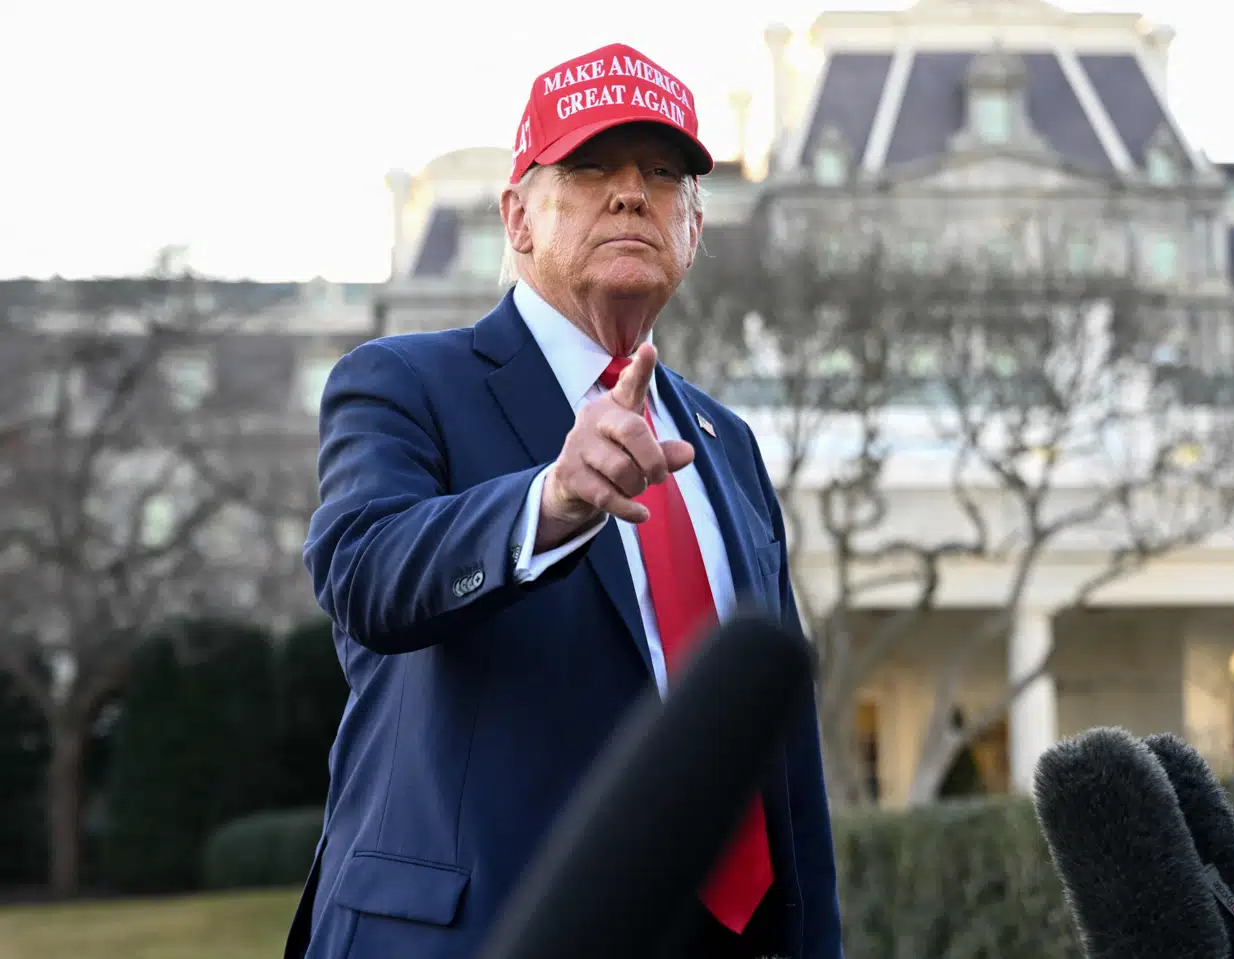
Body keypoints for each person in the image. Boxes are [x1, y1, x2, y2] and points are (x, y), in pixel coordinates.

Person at [284, 42, 843, 959]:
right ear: (517, 218)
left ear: (694, 226)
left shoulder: (725, 443)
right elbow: (364, 574)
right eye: (589, 168)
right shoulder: (401, 382)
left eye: (663, 175)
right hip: (471, 934)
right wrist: (551, 500)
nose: (631, 193)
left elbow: (778, 739)